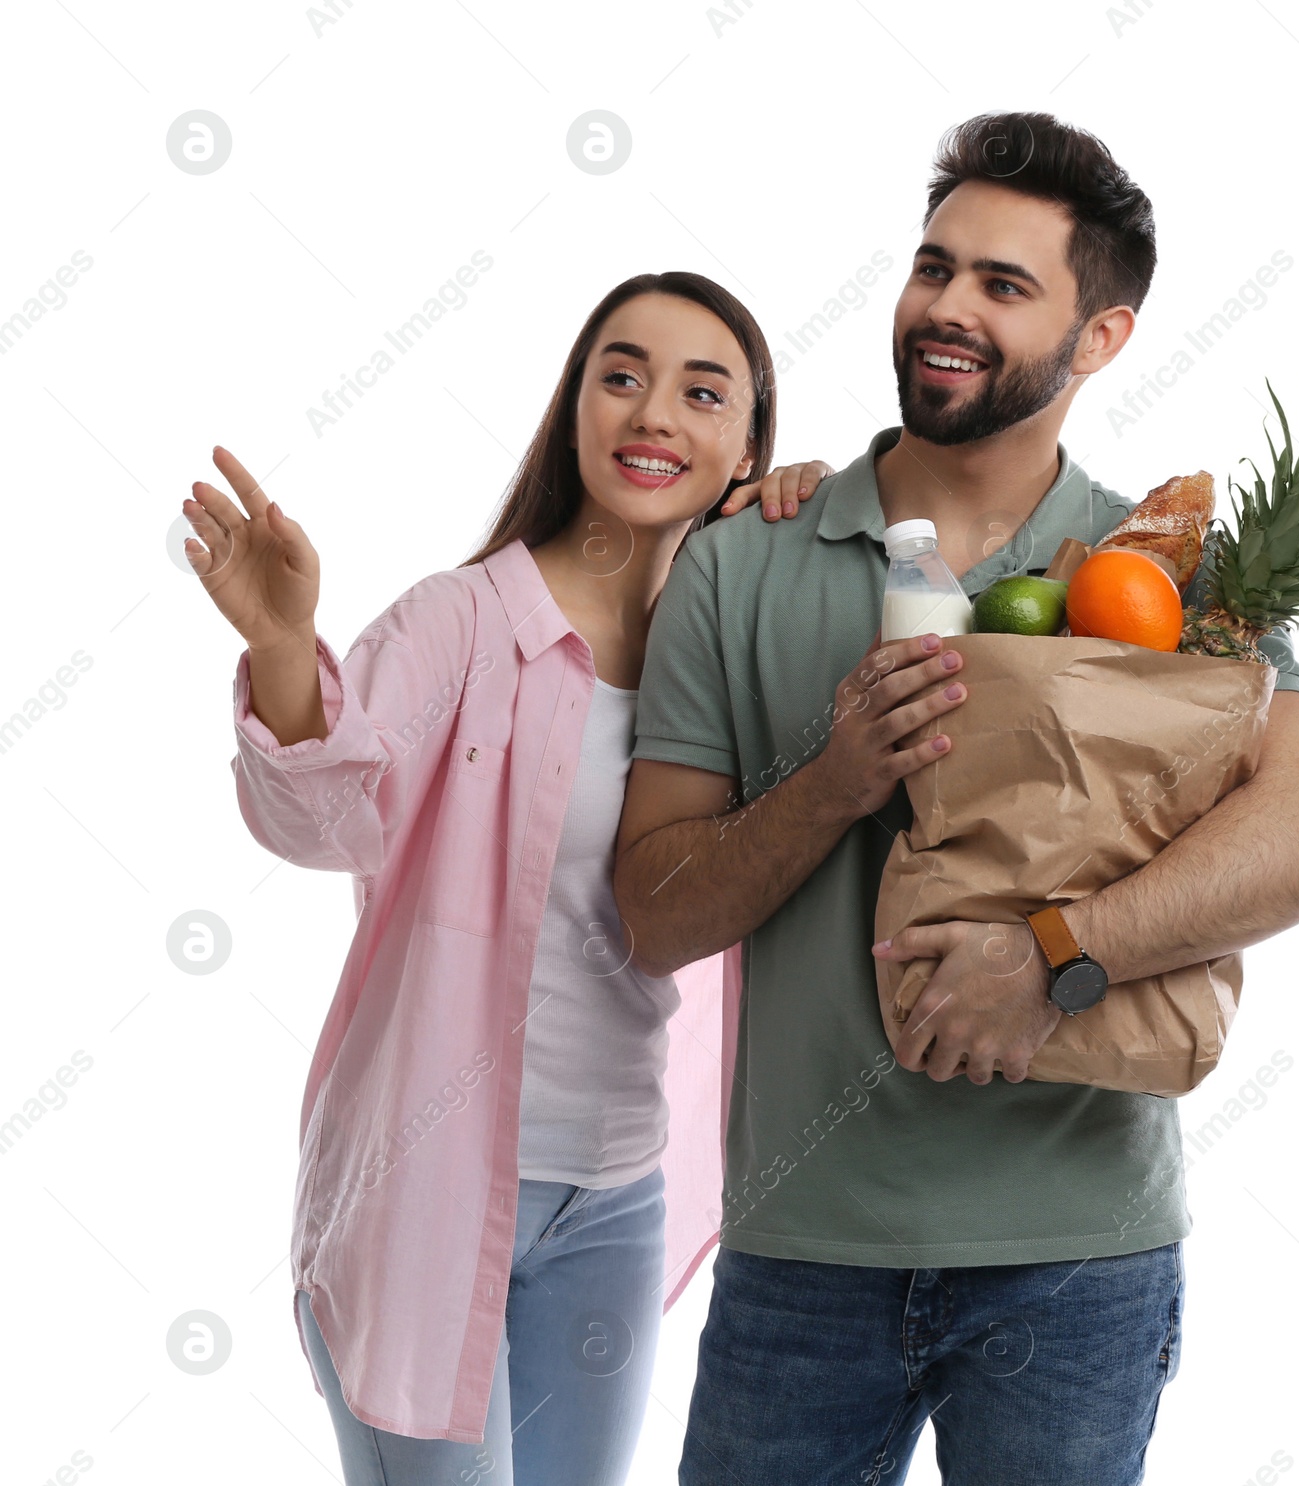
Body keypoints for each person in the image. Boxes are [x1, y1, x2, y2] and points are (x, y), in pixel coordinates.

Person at [614, 114, 1299, 1484]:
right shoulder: (743, 563)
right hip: (805, 1255)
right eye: (933, 266)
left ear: (1103, 336)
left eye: (1003, 285)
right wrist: (834, 783)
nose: (946, 308)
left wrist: (1058, 956)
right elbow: (653, 916)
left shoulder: (1162, 574)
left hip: (1077, 1263)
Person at [183, 270, 831, 1486]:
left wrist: (816, 510)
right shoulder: (464, 624)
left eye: (704, 392)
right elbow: (321, 819)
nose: (653, 414)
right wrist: (281, 649)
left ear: (747, 442)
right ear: (574, 406)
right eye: (621, 375)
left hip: (616, 1195)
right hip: (425, 1186)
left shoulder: (736, 655)